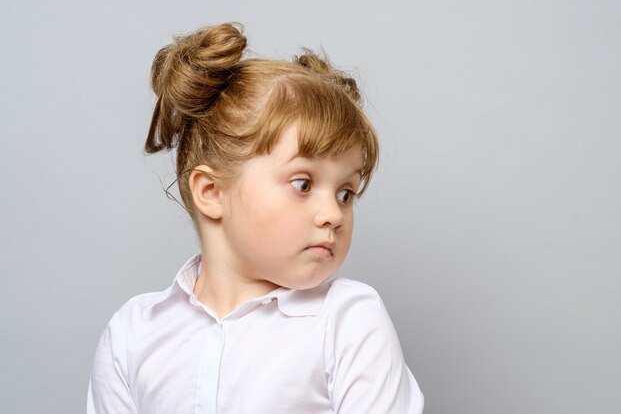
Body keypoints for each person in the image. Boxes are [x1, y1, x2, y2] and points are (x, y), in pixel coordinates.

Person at [87, 22, 424, 414]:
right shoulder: (133, 334)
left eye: (345, 193)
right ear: (212, 193)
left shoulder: (347, 322)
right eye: (302, 184)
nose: (334, 214)